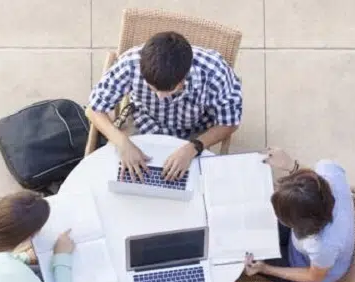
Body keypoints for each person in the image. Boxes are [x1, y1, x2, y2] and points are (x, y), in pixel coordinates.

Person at [88, 31, 242, 181]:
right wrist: (123, 143)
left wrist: (193, 148)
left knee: (198, 186)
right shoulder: (130, 64)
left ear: (183, 78)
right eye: (152, 89)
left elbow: (230, 123)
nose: (159, 97)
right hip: (143, 121)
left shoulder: (215, 72)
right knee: (113, 174)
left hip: (194, 131)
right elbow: (93, 109)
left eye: (168, 91)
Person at [244, 148, 355, 282]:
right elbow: (312, 180)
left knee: (244, 253)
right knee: (252, 222)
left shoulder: (323, 246)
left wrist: (265, 268)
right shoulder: (328, 170)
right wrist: (292, 166)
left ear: (299, 225)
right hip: (305, 243)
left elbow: (313, 277)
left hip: (304, 267)